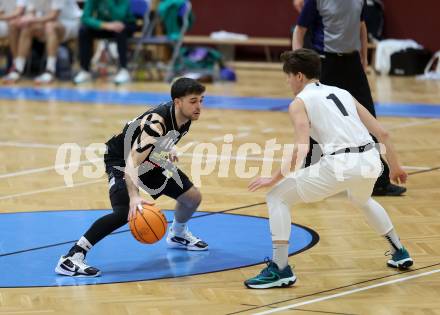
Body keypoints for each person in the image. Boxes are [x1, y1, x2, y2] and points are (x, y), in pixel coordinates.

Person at [244, 49, 413, 289]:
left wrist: (273, 178)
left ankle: (280, 269)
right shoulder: (342, 93)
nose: (288, 81)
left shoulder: (299, 102)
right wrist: (395, 166)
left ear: (299, 76)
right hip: (371, 162)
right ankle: (399, 250)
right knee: (362, 200)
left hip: (341, 164)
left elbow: (302, 149)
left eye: (289, 76)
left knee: (276, 196)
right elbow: (382, 132)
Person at [55, 78, 208, 277]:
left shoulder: (185, 117)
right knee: (125, 211)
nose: (198, 107)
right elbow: (132, 163)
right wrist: (135, 197)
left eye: (201, 100)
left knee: (192, 198)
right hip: (121, 160)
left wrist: (165, 146)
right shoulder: (157, 123)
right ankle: (72, 257)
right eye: (193, 101)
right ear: (178, 102)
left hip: (150, 159)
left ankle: (178, 235)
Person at [291, 0, 406, 196]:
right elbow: (300, 31)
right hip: (325, 62)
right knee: (316, 122)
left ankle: (378, 180)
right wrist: (297, 65)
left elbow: (361, 26)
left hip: (352, 63)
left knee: (368, 119)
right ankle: (310, 175)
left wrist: (364, 56)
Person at [1, 0, 81, 84]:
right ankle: (18, 69)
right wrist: (25, 20)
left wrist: (32, 20)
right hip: (48, 22)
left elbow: (54, 15)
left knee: (50, 27)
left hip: (71, 22)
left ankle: (50, 70)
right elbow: (32, 13)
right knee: (27, 28)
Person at [73, 0, 137, 85]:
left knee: (119, 28)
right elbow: (85, 18)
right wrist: (104, 25)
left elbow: (119, 16)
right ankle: (85, 70)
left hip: (124, 23)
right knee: (84, 30)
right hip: (105, 24)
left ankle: (123, 69)